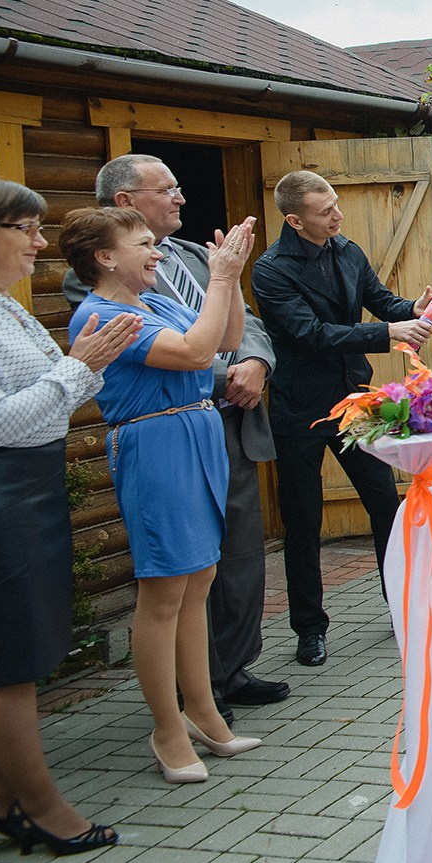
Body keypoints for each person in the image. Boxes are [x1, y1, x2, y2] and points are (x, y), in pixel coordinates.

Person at [64, 155, 287, 719]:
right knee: (173, 580)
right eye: (166, 190)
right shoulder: (94, 292)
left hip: (214, 426)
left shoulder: (178, 267)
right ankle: (187, 700)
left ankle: (228, 673)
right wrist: (222, 294)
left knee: (226, 561)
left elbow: (234, 330)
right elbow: (192, 352)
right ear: (123, 205)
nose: (180, 199)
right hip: (162, 435)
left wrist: (253, 359)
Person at [249, 170, 432, 667]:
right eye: (326, 211)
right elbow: (311, 333)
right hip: (299, 407)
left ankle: (402, 606)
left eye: (336, 204)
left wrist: (414, 308)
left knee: (385, 503)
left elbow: (380, 300)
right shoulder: (270, 271)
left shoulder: (347, 250)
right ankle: (309, 629)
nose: (338, 216)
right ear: (295, 221)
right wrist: (388, 333)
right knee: (303, 520)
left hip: (355, 404)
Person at [0, 183, 137, 854]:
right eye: (25, 227)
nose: (40, 241)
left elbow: (58, 397)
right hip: (4, 495)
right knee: (11, 659)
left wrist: (84, 368)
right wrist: (79, 367)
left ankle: (1, 801)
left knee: (21, 648)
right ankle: (46, 809)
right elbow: (2, 422)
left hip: (32, 487)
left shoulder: (8, 307)